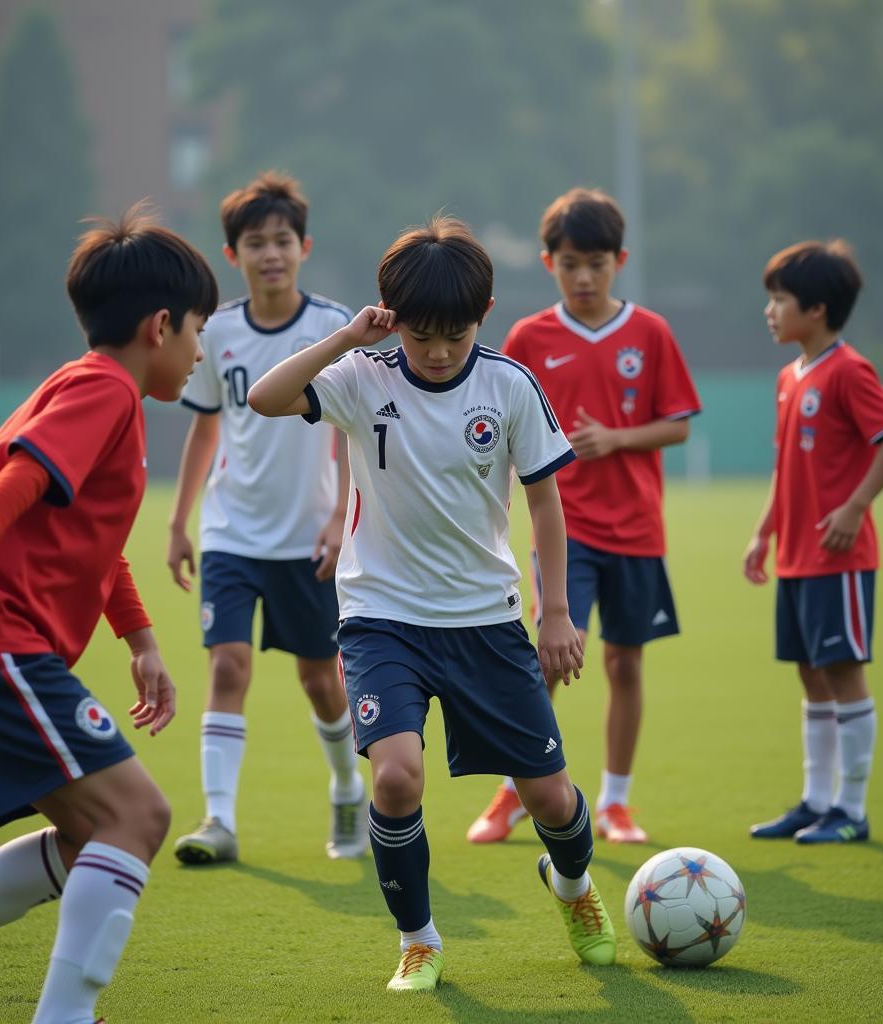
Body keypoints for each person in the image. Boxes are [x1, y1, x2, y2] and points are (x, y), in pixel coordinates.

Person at [248, 215, 617, 992]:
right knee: (396, 779)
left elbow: (545, 503)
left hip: (486, 620)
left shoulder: (509, 385)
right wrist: (347, 339)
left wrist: (554, 613)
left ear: (481, 317)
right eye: (422, 335)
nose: (440, 350)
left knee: (550, 797)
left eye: (455, 333)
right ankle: (419, 939)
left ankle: (575, 888)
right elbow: (264, 396)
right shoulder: (361, 376)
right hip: (382, 618)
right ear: (393, 321)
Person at [0, 205, 218, 1024]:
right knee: (138, 815)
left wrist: (140, 639)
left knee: (91, 838)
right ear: (160, 325)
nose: (201, 350)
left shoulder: (93, 391)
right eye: (198, 330)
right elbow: (30, 471)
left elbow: (93, 541)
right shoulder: (105, 388)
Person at [467, 187, 700, 847]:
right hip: (564, 534)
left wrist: (618, 439)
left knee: (625, 665)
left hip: (637, 530)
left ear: (619, 260)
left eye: (597, 262)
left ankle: (615, 804)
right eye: (571, 263)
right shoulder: (530, 337)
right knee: (545, 658)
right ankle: (515, 791)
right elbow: (499, 425)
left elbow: (678, 426)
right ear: (549, 263)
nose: (585, 276)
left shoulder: (650, 332)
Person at [168, 171, 366, 865]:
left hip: (307, 532)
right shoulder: (216, 331)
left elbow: (349, 427)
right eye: (256, 243)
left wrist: (343, 514)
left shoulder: (331, 328)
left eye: (282, 240)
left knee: (321, 678)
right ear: (233, 255)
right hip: (230, 532)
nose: (271, 253)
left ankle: (348, 789)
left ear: (303, 247)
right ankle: (218, 821)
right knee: (228, 664)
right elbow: (204, 429)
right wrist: (178, 521)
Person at [745, 240, 883, 844]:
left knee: (843, 674)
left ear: (815, 309)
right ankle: (816, 801)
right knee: (811, 675)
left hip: (838, 557)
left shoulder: (848, 370)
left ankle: (852, 808)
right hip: (796, 554)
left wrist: (855, 505)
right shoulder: (791, 376)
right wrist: (764, 532)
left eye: (779, 298)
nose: (769, 309)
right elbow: (784, 466)